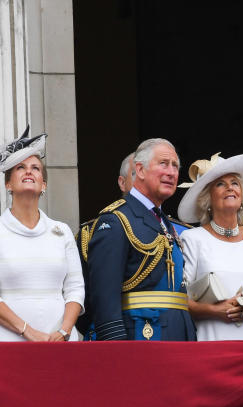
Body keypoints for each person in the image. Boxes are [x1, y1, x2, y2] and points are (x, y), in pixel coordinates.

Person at [0, 127, 84, 341]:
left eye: (35, 168)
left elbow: (75, 288)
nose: (29, 171)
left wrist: (64, 331)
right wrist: (29, 332)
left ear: (43, 184)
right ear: (8, 183)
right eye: (20, 167)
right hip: (9, 341)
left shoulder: (62, 232)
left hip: (60, 342)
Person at [80, 138, 196, 341]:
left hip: (178, 335)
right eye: (163, 164)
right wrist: (116, 349)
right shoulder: (117, 220)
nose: (171, 172)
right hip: (141, 336)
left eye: (175, 166)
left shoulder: (164, 222)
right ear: (140, 170)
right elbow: (104, 298)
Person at [178, 153, 243, 340]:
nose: (230, 188)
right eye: (220, 184)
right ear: (207, 199)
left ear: (242, 195)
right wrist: (214, 310)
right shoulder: (192, 238)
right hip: (214, 345)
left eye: (234, 183)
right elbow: (180, 300)